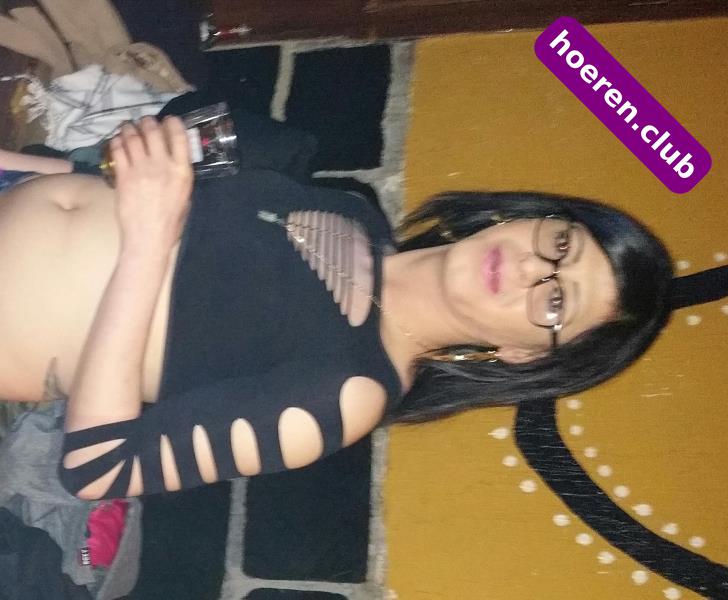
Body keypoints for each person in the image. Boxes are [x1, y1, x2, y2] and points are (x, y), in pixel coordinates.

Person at [0, 116, 672, 500]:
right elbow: (107, 188)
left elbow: (100, 468)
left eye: (555, 299)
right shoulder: (355, 212)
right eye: (560, 242)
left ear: (522, 354)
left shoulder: (348, 394)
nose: (531, 267)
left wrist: (149, 241)